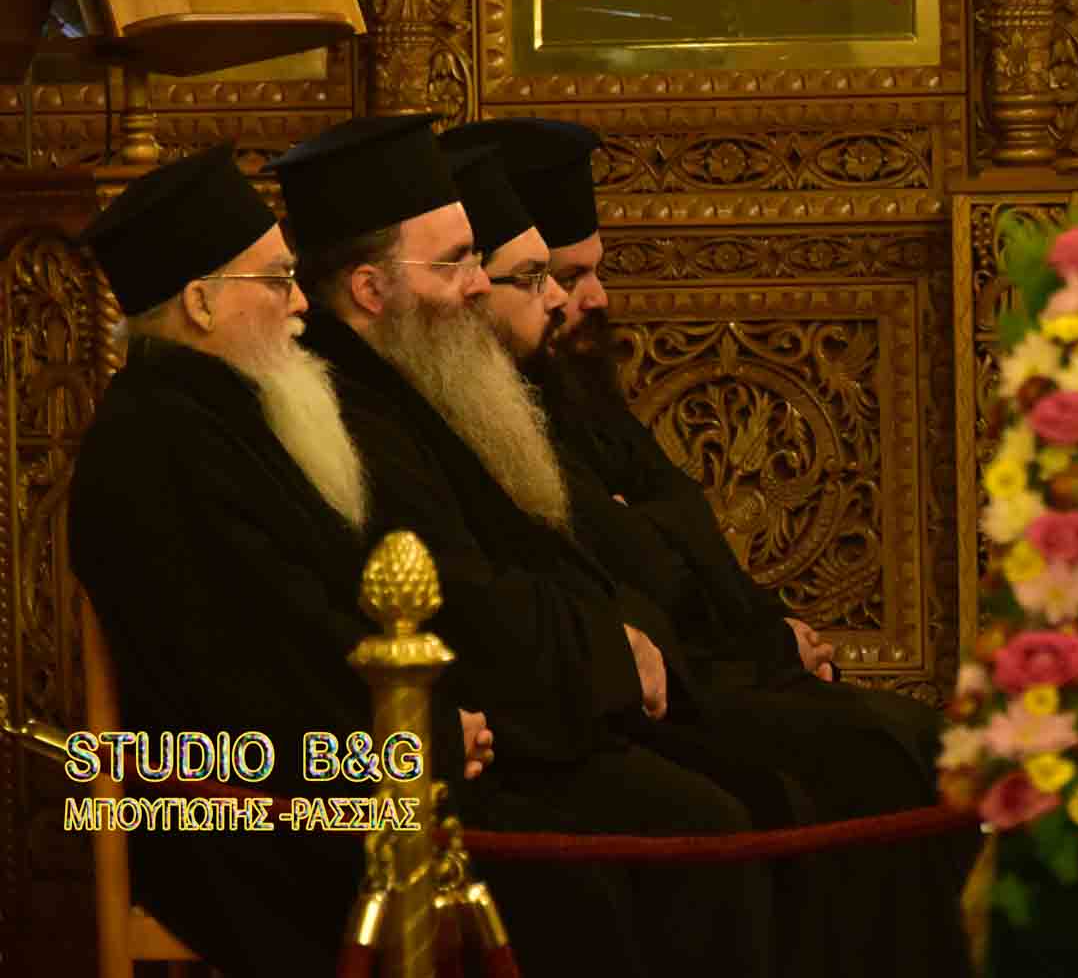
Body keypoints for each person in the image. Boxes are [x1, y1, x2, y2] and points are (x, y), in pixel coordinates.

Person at [440, 117, 975, 976]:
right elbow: (624, 560)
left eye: (585, 273)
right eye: (557, 277)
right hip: (648, 689)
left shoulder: (571, 384)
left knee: (915, 743)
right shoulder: (489, 407)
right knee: (844, 772)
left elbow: (679, 520)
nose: (584, 300)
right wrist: (745, 633)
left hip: (696, 660)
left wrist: (771, 625)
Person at [270, 115, 798, 978]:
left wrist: (620, 637)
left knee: (745, 797)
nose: (477, 285)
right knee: (708, 828)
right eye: (455, 262)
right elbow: (463, 599)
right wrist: (609, 650)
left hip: (534, 705)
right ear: (370, 288)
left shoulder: (420, 381)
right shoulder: (351, 416)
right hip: (468, 749)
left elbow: (538, 554)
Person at [65, 145, 508, 977]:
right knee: (573, 869)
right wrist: (427, 736)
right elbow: (263, 676)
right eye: (276, 280)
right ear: (200, 302)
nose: (302, 301)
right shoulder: (160, 446)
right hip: (248, 826)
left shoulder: (222, 413)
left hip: (319, 783)